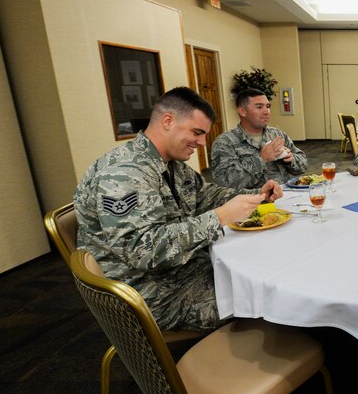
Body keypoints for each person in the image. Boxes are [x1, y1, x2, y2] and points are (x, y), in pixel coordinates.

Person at [74, 87, 282, 331]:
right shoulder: (125, 173)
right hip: (151, 295)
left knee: (261, 270)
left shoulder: (170, 163)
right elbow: (142, 251)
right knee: (263, 294)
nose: (202, 142)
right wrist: (220, 217)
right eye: (197, 132)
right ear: (168, 121)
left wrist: (255, 196)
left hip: (180, 269)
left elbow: (204, 196)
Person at [210, 88, 307, 189]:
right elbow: (225, 183)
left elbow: (303, 166)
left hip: (284, 198)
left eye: (268, 106)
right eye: (259, 107)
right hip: (253, 202)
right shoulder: (225, 142)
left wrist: (290, 159)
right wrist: (261, 159)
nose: (266, 112)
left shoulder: (277, 134)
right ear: (242, 111)